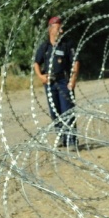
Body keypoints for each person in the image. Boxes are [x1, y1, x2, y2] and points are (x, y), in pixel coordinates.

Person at [33, 16, 80, 147]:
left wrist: (73, 79)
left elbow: (75, 61)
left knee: (67, 111)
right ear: (51, 29)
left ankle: (71, 140)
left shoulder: (67, 44)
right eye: (58, 28)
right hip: (49, 83)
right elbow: (36, 63)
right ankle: (61, 137)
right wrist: (40, 77)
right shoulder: (45, 46)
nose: (61, 30)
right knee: (55, 112)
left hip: (63, 81)